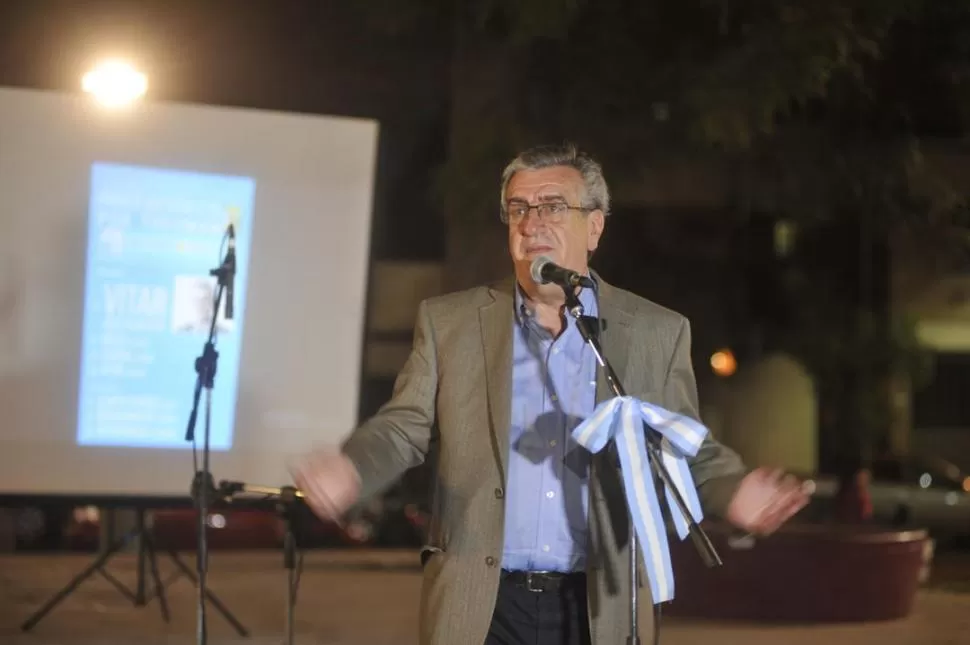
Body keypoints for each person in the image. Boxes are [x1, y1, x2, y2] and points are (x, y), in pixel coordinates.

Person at [292, 143, 811, 645]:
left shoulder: (656, 331)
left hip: (597, 603)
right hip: (482, 602)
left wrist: (733, 489)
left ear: (595, 226)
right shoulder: (451, 323)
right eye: (518, 208)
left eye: (553, 207)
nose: (531, 221)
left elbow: (678, 444)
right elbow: (403, 426)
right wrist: (354, 467)